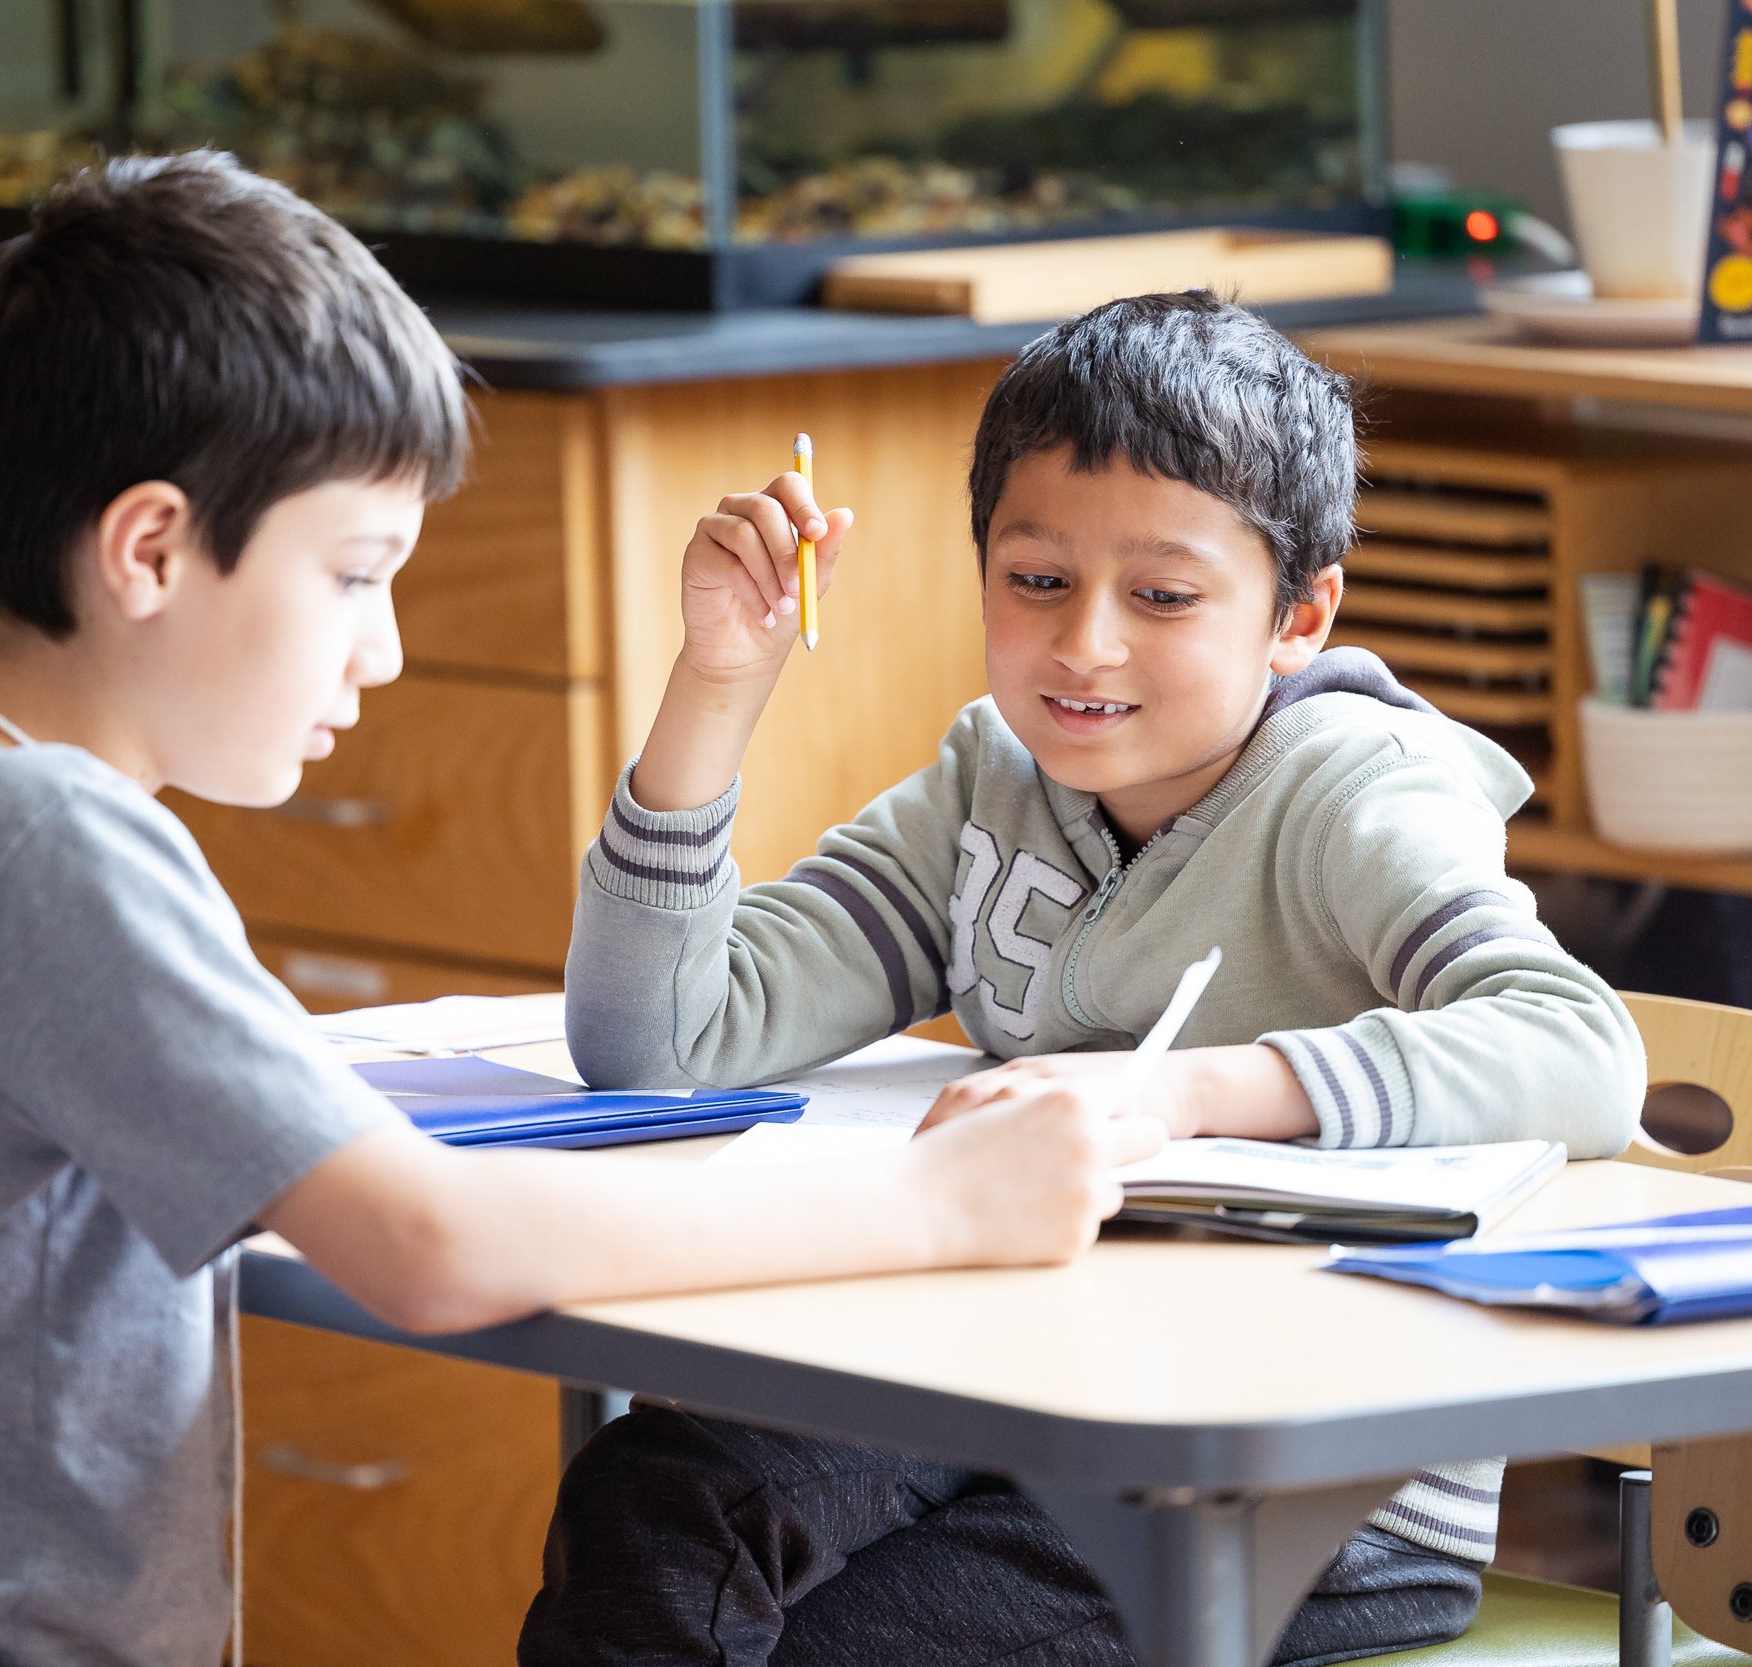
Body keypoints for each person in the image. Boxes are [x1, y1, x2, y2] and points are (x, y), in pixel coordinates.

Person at [0, 153, 1156, 1667]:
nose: (384, 652)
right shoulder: (51, 849)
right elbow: (432, 1247)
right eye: (355, 576)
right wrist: (937, 1205)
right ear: (150, 548)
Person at [526, 291, 1645, 1667]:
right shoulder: (992, 781)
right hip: (1006, 1378)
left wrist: (1175, 1096)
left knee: (837, 1645)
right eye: (1035, 580)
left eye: (1164, 598)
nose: (1085, 645)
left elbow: (1581, 1047)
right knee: (650, 1502)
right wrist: (716, 683)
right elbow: (660, 1043)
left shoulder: (1359, 796)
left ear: (1300, 616)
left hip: (1305, 1469)